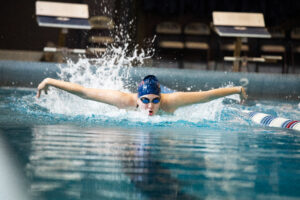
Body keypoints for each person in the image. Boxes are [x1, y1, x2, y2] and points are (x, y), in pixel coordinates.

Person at [36, 75, 247, 116]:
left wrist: (236, 89)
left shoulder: (170, 102)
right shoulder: (123, 101)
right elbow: (84, 92)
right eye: (145, 101)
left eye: (155, 100)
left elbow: (207, 96)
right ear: (137, 99)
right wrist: (49, 81)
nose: (150, 106)